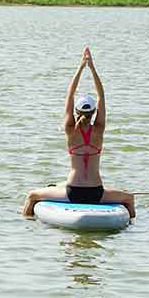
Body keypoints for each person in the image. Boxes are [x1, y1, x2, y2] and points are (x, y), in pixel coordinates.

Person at [22, 47, 135, 218]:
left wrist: (81, 67)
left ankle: (27, 225)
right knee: (129, 197)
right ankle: (130, 228)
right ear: (94, 113)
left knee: (32, 195)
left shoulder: (70, 129)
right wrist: (92, 68)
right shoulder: (99, 129)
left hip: (73, 191)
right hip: (97, 192)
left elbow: (70, 94)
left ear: (76, 112)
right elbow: (101, 96)